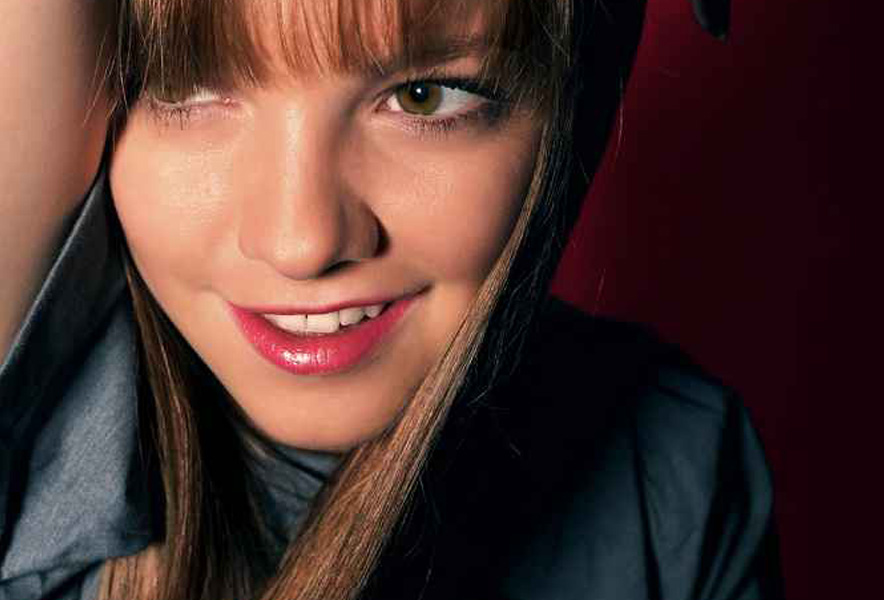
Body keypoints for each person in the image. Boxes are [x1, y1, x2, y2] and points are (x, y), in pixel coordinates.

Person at [0, 1, 784, 599]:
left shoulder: (671, 473)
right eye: (185, 87)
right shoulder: (30, 456)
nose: (302, 241)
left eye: (421, 97)